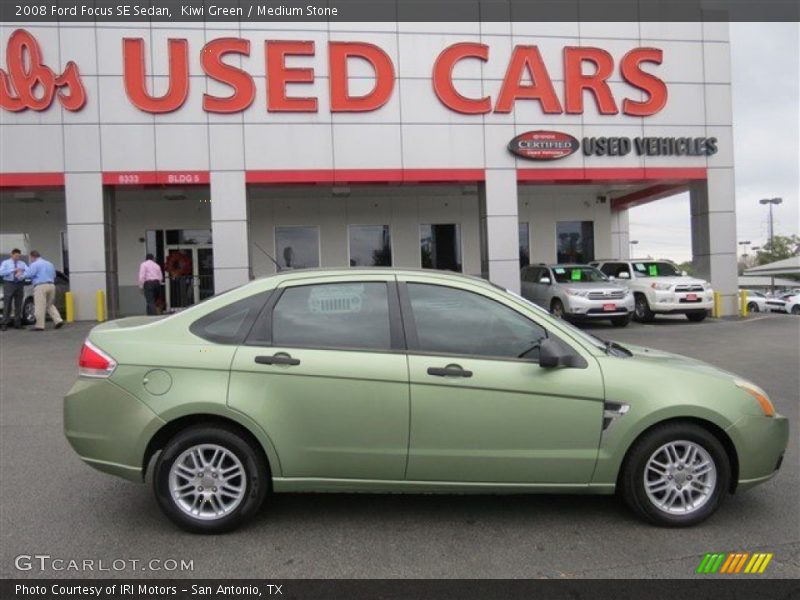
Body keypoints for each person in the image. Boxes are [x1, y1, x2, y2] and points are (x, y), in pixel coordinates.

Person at [20, 250, 63, 331]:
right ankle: (58, 320)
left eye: (30, 258)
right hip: (51, 285)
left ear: (32, 257)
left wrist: (20, 275)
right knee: (49, 305)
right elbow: (54, 275)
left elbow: (28, 274)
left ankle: (39, 326)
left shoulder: (35, 264)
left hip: (41, 286)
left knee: (40, 306)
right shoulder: (50, 264)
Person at [0, 248, 27, 331]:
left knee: (18, 304)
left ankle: (17, 323)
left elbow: (28, 271)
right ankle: (4, 323)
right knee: (7, 304)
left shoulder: (22, 263)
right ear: (11, 255)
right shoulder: (6, 263)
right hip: (9, 283)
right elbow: (1, 272)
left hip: (19, 283)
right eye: (16, 256)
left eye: (18, 256)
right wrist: (13, 270)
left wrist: (22, 274)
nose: (17, 258)